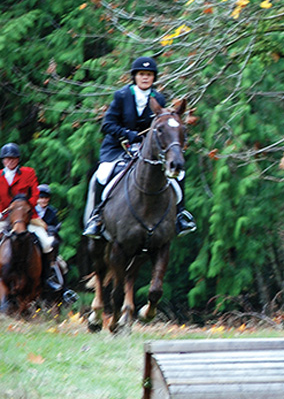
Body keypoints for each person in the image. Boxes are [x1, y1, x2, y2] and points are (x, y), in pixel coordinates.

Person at [83, 56, 196, 239]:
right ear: (134, 76)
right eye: (142, 74)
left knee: (179, 173)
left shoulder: (158, 98)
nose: (145, 78)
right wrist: (128, 134)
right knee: (102, 174)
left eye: (149, 75)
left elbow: (161, 127)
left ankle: (180, 215)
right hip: (118, 147)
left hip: (147, 149)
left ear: (154, 78)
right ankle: (97, 218)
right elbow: (107, 125)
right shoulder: (121, 96)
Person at [0, 143, 58, 285]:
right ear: (3, 160)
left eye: (13, 158)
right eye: (7, 159)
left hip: (27, 217)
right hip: (5, 217)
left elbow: (35, 194)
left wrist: (25, 208)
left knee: (46, 244)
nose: (10, 161)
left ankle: (48, 277)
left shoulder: (28, 173)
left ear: (18, 159)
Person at [32, 184, 64, 291]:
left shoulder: (52, 212)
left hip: (47, 241)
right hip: (33, 237)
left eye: (46, 198)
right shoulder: (31, 210)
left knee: (63, 266)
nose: (43, 200)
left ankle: (53, 277)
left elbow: (55, 226)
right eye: (41, 198)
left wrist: (51, 229)